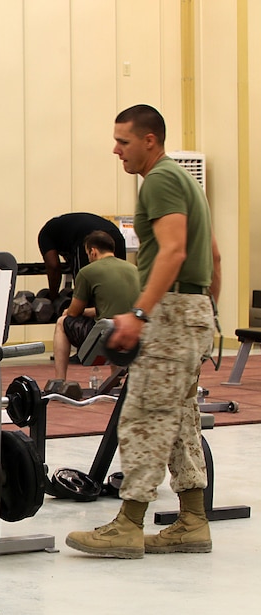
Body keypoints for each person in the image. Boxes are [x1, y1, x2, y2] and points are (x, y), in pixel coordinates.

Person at [66, 104, 220, 559]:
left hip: (171, 311)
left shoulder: (160, 180)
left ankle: (128, 524)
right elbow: (212, 255)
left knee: (145, 416)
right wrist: (208, 312)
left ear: (149, 140)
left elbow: (172, 251)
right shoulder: (184, 182)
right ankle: (192, 520)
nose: (117, 150)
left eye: (124, 141)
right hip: (192, 308)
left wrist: (140, 313)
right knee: (179, 420)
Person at [45, 230, 140, 391]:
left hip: (107, 337)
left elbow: (74, 312)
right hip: (134, 332)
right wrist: (88, 311)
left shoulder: (88, 272)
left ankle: (59, 381)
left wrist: (67, 311)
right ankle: (115, 379)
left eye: (87, 253)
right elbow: (114, 306)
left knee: (62, 322)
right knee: (109, 321)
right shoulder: (133, 269)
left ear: (93, 251)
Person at [38, 212, 128, 299]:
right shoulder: (63, 230)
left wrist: (53, 297)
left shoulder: (45, 236)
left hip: (88, 235)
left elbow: (53, 266)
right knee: (119, 277)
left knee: (84, 286)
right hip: (115, 234)